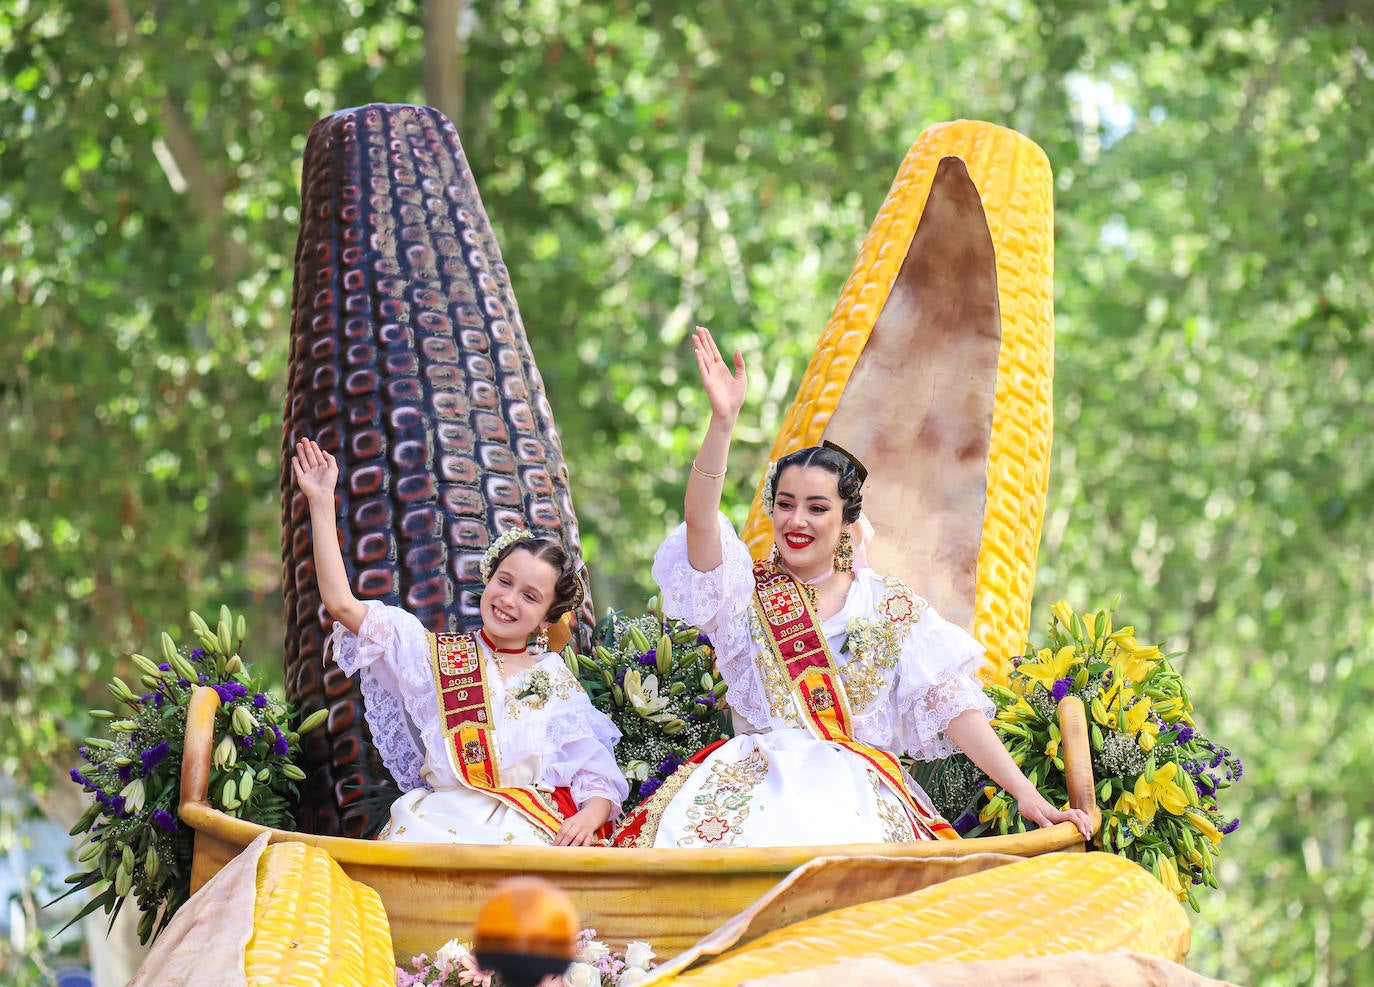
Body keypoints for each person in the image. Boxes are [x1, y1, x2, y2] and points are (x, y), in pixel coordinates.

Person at [617, 327, 1092, 848]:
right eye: (785, 503)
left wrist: (1026, 793)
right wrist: (723, 423)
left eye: (817, 507)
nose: (796, 519)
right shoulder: (742, 593)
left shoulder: (889, 607)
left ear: (847, 522)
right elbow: (700, 520)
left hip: (856, 799)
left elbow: (953, 707)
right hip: (751, 789)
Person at [292, 437, 628, 846]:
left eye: (529, 596)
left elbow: (593, 775)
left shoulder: (554, 679)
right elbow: (342, 605)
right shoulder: (429, 654)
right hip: (437, 821)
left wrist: (588, 819)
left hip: (525, 828)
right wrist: (321, 501)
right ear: (488, 579)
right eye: (504, 582)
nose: (508, 600)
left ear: (546, 618)